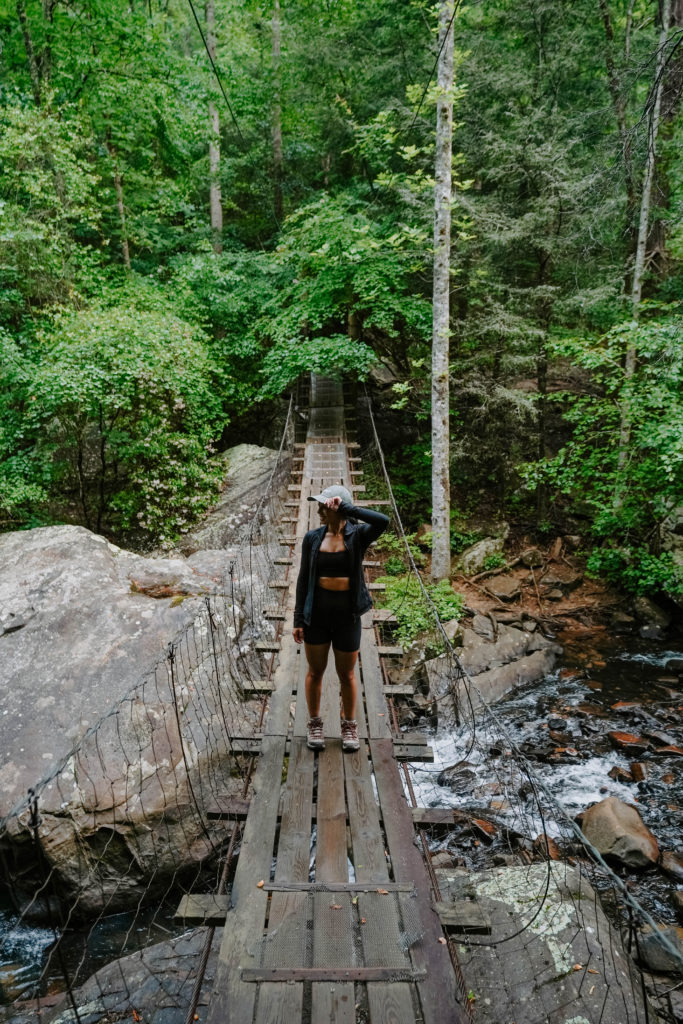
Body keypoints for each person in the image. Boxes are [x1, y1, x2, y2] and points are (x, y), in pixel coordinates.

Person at [292, 484, 389, 752]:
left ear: (339, 508)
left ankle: (349, 726)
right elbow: (302, 580)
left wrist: (346, 509)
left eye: (325, 505)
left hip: (347, 616)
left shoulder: (358, 535)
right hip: (317, 617)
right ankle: (314, 723)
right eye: (320, 505)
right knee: (315, 671)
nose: (320, 510)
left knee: (346, 674)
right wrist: (298, 619)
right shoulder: (312, 538)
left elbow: (383, 521)